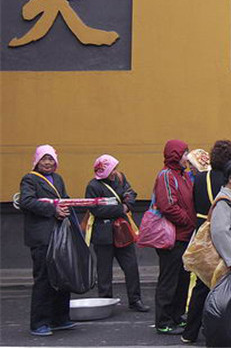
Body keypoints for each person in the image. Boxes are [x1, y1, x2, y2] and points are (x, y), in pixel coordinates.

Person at [181, 139, 231, 344]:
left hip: (203, 233)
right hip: (227, 234)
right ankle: (225, 328)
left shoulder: (199, 178)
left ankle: (190, 332)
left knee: (202, 284)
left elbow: (192, 205)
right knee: (229, 282)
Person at [20, 145, 76, 337]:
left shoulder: (58, 179)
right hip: (42, 238)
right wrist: (54, 211)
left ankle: (60, 318)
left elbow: (64, 199)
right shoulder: (30, 179)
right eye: (44, 159)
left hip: (58, 235)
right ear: (36, 160)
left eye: (51, 159)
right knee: (44, 279)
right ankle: (39, 323)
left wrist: (67, 207)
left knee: (62, 277)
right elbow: (26, 202)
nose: (48, 163)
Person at [84, 154, 147, 312]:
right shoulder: (93, 186)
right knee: (104, 270)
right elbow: (96, 209)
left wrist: (126, 204)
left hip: (122, 231)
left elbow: (131, 194)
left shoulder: (120, 178)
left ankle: (135, 299)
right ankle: (105, 301)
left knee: (131, 267)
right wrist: (121, 208)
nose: (114, 172)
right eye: (111, 169)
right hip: (103, 234)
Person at [152, 139, 195, 335]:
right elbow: (167, 205)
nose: (188, 157)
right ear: (175, 155)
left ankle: (177, 316)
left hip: (185, 236)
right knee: (169, 280)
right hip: (172, 237)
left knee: (182, 279)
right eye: (185, 153)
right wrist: (188, 220)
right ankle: (164, 321)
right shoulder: (166, 176)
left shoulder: (184, 176)